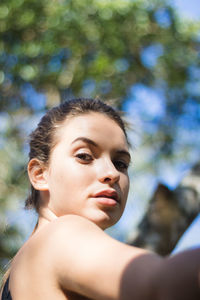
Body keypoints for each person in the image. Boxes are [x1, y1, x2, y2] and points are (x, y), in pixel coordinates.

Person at [0, 98, 200, 300]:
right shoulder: (60, 235)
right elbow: (163, 282)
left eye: (120, 163)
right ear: (40, 174)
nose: (112, 173)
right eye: (84, 156)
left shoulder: (21, 271)